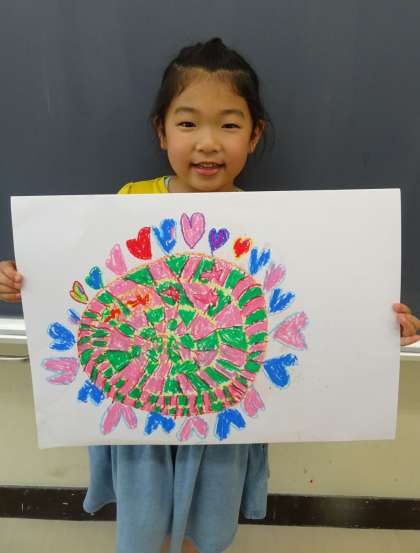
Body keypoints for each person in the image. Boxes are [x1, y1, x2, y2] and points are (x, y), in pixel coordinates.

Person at [1, 38, 419, 553]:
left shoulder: (275, 229)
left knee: (207, 529)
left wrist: (380, 329)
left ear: (254, 134)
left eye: (229, 125)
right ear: (161, 131)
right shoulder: (127, 204)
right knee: (144, 528)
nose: (208, 143)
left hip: (223, 420)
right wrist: (26, 283)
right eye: (187, 123)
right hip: (143, 417)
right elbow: (86, 292)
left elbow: (313, 313)